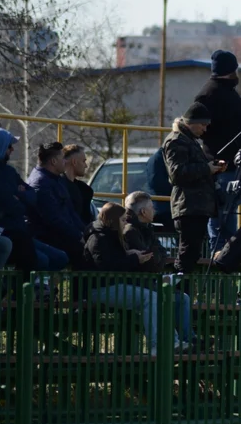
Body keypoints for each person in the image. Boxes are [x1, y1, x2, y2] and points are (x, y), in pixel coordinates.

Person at [83, 202, 182, 356]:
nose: (125, 223)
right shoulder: (98, 237)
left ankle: (173, 341)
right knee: (149, 297)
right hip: (99, 289)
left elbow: (113, 261)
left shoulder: (109, 235)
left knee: (157, 296)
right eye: (122, 220)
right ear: (113, 220)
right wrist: (135, 259)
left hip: (113, 286)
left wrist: (130, 255)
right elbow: (107, 266)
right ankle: (157, 345)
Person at [0, 127, 67, 271]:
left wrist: (18, 195)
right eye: (9, 146)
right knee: (41, 260)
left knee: (60, 258)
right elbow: (10, 204)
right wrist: (19, 196)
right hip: (4, 233)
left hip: (21, 231)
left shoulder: (9, 171)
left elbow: (32, 195)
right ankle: (18, 292)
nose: (12, 150)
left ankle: (36, 290)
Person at [120, 191, 194, 347]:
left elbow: (160, 254)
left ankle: (188, 339)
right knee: (167, 298)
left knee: (183, 298)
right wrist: (157, 257)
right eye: (151, 207)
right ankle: (172, 343)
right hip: (137, 284)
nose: (154, 211)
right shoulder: (130, 231)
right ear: (143, 212)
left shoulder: (146, 228)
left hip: (148, 282)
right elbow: (149, 263)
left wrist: (156, 257)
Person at [194, 50, 241, 249]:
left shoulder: (215, 92)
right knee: (222, 222)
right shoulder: (211, 94)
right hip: (222, 167)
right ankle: (221, 264)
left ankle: (225, 259)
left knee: (225, 220)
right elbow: (197, 127)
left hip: (229, 165)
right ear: (230, 70)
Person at [163, 102, 225, 276]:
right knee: (187, 254)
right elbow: (176, 173)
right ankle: (176, 291)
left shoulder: (186, 140)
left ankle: (181, 291)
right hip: (189, 206)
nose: (205, 130)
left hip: (194, 205)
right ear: (192, 122)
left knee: (191, 253)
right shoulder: (177, 141)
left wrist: (209, 167)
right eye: (203, 125)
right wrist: (207, 169)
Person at [28, 142, 87, 265]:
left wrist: (86, 232)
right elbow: (53, 219)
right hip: (48, 237)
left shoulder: (56, 180)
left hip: (61, 234)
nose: (65, 162)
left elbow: (70, 212)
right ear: (54, 161)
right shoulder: (41, 183)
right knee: (87, 252)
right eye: (62, 158)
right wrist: (78, 236)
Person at [62, 144, 95, 225]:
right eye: (83, 161)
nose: (86, 165)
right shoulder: (58, 187)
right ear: (74, 162)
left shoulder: (84, 189)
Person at [145, 146, 173, 230]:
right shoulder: (158, 159)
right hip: (164, 207)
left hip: (162, 205)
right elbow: (157, 183)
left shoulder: (157, 158)